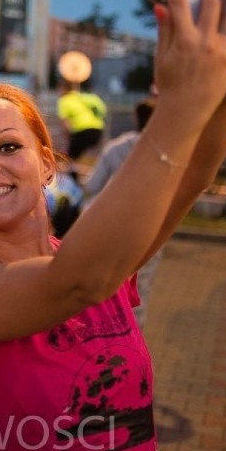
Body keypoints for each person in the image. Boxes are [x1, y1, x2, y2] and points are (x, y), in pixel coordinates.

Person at [0, 0, 226, 451]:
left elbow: (194, 177)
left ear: (47, 164)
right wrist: (180, 101)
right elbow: (74, 282)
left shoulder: (102, 259)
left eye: (7, 147)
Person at [84, 99, 162, 324]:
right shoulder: (165, 152)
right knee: (140, 290)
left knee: (104, 287)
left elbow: (92, 186)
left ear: (136, 118)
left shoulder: (116, 147)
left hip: (109, 227)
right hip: (149, 230)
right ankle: (132, 343)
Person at [57, 79, 107, 165]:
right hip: (98, 130)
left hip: (82, 131)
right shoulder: (86, 97)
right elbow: (102, 110)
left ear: (64, 89)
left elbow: (65, 124)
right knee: (80, 156)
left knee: (69, 159)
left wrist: (68, 138)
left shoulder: (64, 100)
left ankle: (71, 176)